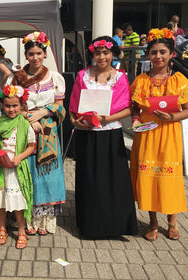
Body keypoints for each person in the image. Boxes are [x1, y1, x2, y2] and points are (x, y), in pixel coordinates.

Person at [69, 36, 138, 238]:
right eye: (97, 53)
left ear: (113, 54)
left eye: (106, 53)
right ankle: (90, 226)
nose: (101, 57)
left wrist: (107, 118)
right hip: (87, 133)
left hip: (110, 133)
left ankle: (115, 225)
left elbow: (128, 109)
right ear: (93, 54)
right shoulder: (83, 75)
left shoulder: (120, 77)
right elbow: (73, 106)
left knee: (113, 180)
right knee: (89, 178)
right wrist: (74, 121)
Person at [130, 28, 188, 242]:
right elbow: (135, 108)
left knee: (168, 178)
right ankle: (153, 222)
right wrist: (136, 120)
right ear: (148, 54)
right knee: (148, 177)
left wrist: (171, 118)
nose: (158, 56)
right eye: (154, 52)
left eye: (162, 52)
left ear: (171, 54)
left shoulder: (179, 80)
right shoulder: (140, 80)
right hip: (147, 134)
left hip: (169, 133)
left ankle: (172, 222)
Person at [7, 31, 66, 235]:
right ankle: (29, 221)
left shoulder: (55, 78)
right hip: (25, 130)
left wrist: (43, 111)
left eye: (39, 53)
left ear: (45, 54)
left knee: (47, 177)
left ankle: (45, 222)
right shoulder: (16, 79)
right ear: (25, 55)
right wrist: (27, 118)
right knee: (28, 174)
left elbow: (60, 107)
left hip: (49, 132)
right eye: (31, 54)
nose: (35, 58)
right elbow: (10, 105)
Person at [0, 85, 36, 249]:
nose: (11, 109)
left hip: (16, 169)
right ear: (2, 105)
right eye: (7, 105)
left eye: (15, 105)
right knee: (1, 201)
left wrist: (20, 157)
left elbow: (31, 146)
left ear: (22, 105)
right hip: (1, 168)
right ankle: (2, 229)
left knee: (18, 203)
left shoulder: (24, 124)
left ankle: (21, 231)